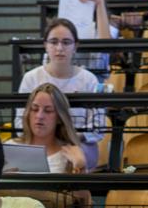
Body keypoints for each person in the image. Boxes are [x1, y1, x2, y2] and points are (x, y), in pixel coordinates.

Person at [18, 19, 105, 169]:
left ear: (75, 46)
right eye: (53, 42)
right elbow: (19, 122)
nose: (59, 48)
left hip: (77, 143)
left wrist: (66, 137)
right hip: (39, 143)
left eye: (66, 42)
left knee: (72, 161)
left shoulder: (89, 79)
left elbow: (98, 127)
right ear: (45, 45)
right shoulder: (31, 78)